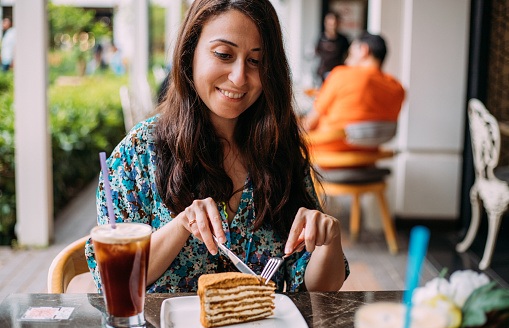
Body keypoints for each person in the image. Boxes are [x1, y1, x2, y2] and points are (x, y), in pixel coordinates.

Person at [86, 0, 349, 294]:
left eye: (256, 61)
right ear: (190, 53)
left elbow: (318, 289)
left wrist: (329, 241)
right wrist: (181, 224)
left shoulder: (278, 149)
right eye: (224, 54)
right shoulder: (139, 152)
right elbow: (116, 278)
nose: (239, 77)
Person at [302, 32, 405, 154]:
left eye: (350, 54)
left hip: (326, 153)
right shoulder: (397, 87)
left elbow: (309, 124)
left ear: (363, 50)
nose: (346, 60)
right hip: (367, 156)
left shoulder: (342, 75)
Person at [315, 12, 350, 83]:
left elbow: (347, 56)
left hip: (338, 73)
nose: (332, 26)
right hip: (322, 73)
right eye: (330, 24)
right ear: (325, 23)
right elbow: (316, 53)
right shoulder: (321, 38)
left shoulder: (343, 39)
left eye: (334, 24)